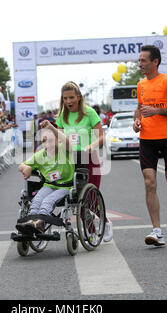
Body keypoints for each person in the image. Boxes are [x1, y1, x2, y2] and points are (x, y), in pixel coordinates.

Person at [40, 81, 113, 242]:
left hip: (88, 158)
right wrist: (48, 141)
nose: (68, 102)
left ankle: (105, 222)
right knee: (77, 199)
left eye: (71, 98)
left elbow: (101, 137)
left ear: (79, 97)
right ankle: (91, 232)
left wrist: (91, 145)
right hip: (70, 160)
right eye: (65, 98)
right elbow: (59, 138)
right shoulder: (61, 116)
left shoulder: (89, 113)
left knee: (90, 199)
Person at [133, 45, 167, 246]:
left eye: (143, 60)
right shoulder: (140, 85)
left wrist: (157, 112)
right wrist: (136, 121)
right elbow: (139, 108)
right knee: (149, 182)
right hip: (147, 139)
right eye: (139, 60)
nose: (140, 64)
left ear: (154, 61)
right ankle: (156, 231)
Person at [16, 127, 73, 234]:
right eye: (44, 141)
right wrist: (26, 168)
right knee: (37, 200)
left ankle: (40, 222)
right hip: (49, 185)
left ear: (58, 140)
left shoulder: (63, 149)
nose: (47, 143)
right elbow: (21, 166)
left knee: (48, 201)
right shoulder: (40, 155)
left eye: (51, 140)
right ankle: (31, 222)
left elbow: (67, 142)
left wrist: (51, 127)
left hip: (65, 186)